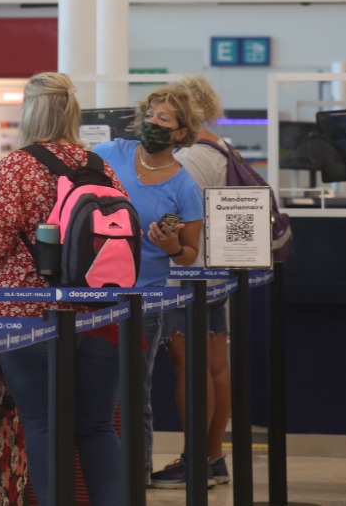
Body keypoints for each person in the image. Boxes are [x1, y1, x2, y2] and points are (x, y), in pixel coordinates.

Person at [0, 72, 125, 504]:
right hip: (99, 312)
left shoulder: (18, 166)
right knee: (97, 427)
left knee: (42, 424)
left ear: (29, 112)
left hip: (27, 313)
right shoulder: (99, 166)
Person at [92, 84, 205, 487]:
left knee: (132, 391)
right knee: (90, 384)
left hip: (145, 298)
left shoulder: (184, 188)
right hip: (91, 289)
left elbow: (189, 254)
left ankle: (135, 475)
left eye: (164, 120)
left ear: (181, 133)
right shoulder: (111, 154)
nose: (153, 124)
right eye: (151, 116)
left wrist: (173, 246)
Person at [162, 75, 234, 488]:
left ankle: (194, 461)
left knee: (187, 365)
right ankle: (213, 456)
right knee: (215, 367)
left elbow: (178, 219)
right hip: (216, 271)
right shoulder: (221, 147)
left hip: (187, 271)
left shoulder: (188, 158)